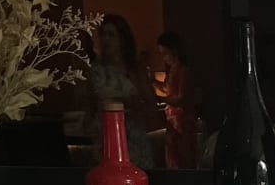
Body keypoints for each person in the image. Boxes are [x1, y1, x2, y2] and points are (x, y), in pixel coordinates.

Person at [84, 13, 160, 169]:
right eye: (103, 35)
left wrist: (133, 106)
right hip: (104, 138)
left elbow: (151, 105)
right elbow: (89, 107)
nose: (106, 40)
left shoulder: (134, 69)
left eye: (111, 35)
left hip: (132, 138)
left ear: (122, 39)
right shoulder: (96, 71)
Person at [151, 31, 199, 169]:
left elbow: (181, 99)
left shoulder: (184, 71)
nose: (164, 58)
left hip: (183, 124)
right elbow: (166, 89)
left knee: (183, 161)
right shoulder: (172, 70)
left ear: (174, 50)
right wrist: (152, 81)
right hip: (172, 123)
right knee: (172, 160)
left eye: (165, 53)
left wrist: (160, 98)